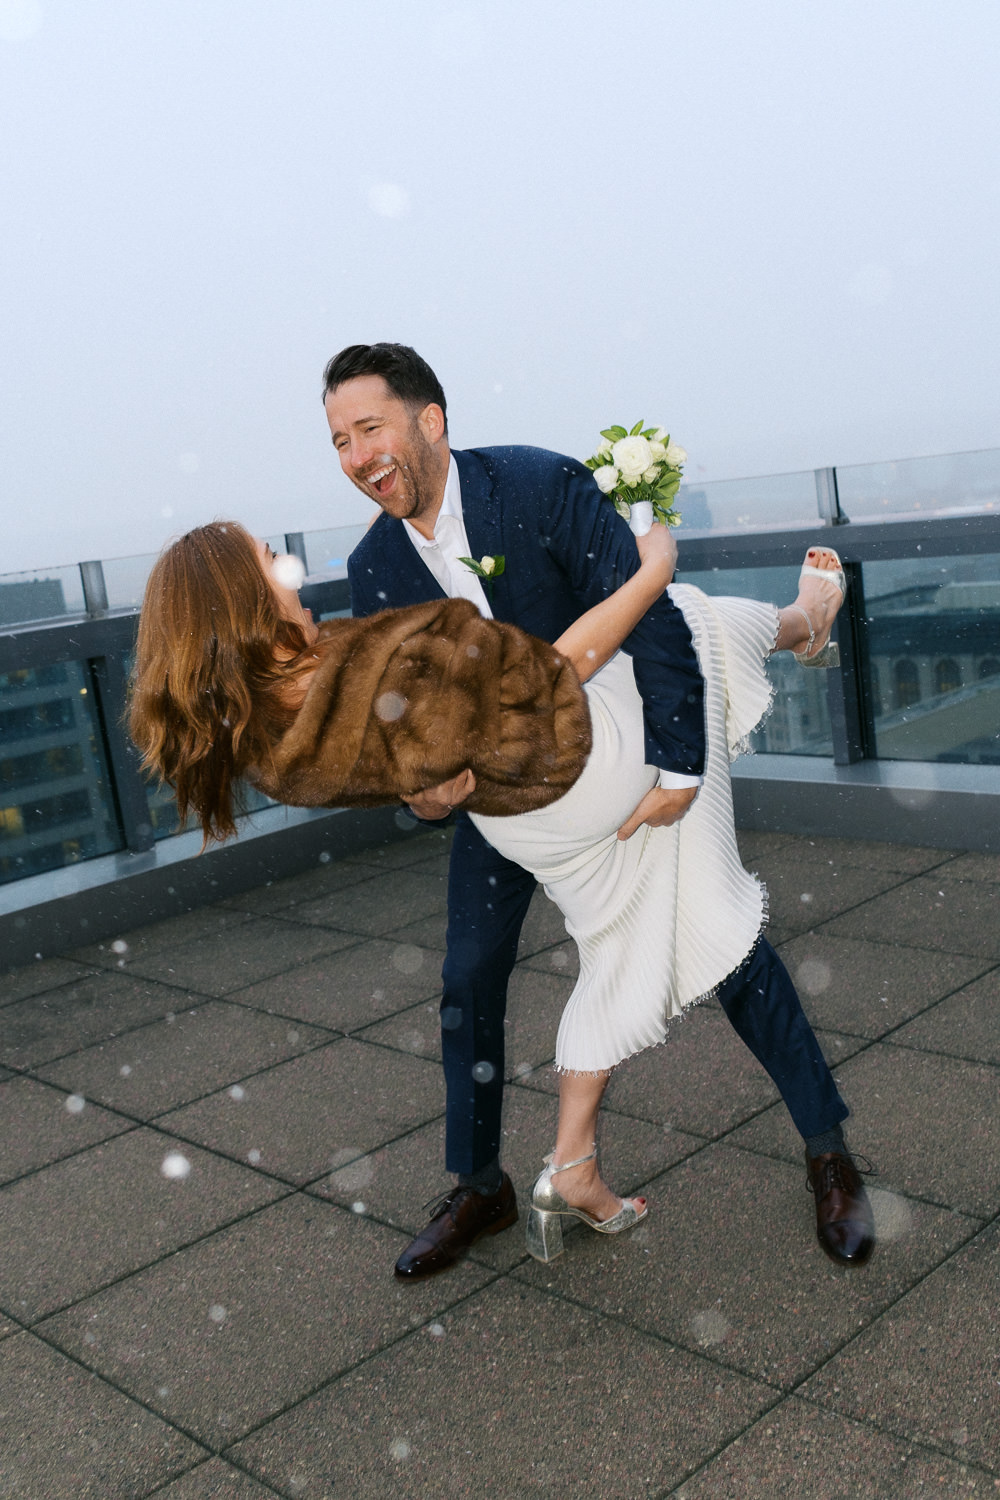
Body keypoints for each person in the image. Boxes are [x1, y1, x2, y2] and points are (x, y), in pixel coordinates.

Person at [323, 343, 874, 1274]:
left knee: (729, 948)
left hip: (630, 737)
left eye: (369, 428)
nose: (356, 455)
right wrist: (424, 793)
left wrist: (679, 769)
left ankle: (830, 1155)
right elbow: (403, 718)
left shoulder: (538, 486)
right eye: (338, 440)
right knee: (467, 975)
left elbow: (650, 618)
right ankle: (481, 1188)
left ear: (430, 421)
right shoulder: (374, 569)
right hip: (506, 805)